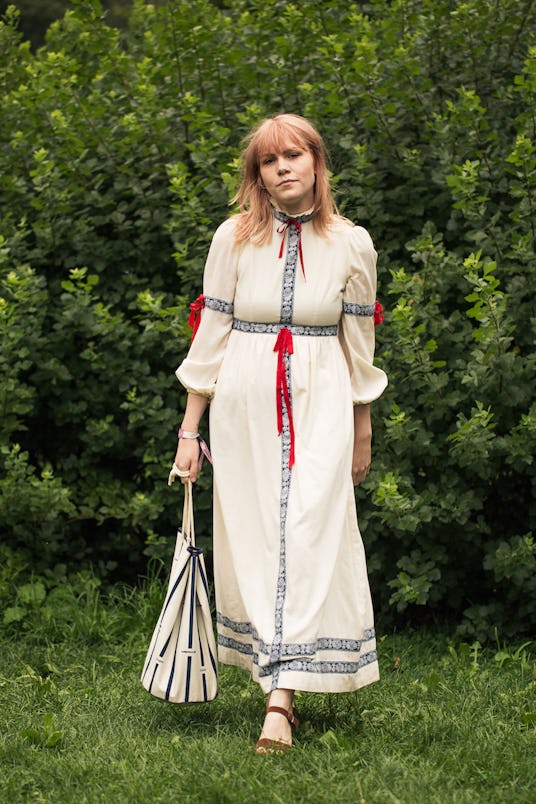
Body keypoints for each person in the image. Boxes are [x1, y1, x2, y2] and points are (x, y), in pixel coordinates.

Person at [173, 113, 387, 753]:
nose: (283, 168)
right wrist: (190, 431)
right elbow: (210, 335)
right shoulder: (232, 239)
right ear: (257, 175)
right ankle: (278, 678)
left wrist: (362, 427)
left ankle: (281, 698)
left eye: (294, 155)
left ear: (317, 163)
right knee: (260, 535)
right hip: (244, 402)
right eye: (270, 161)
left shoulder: (352, 244)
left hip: (321, 398)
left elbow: (359, 344)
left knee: (310, 528)